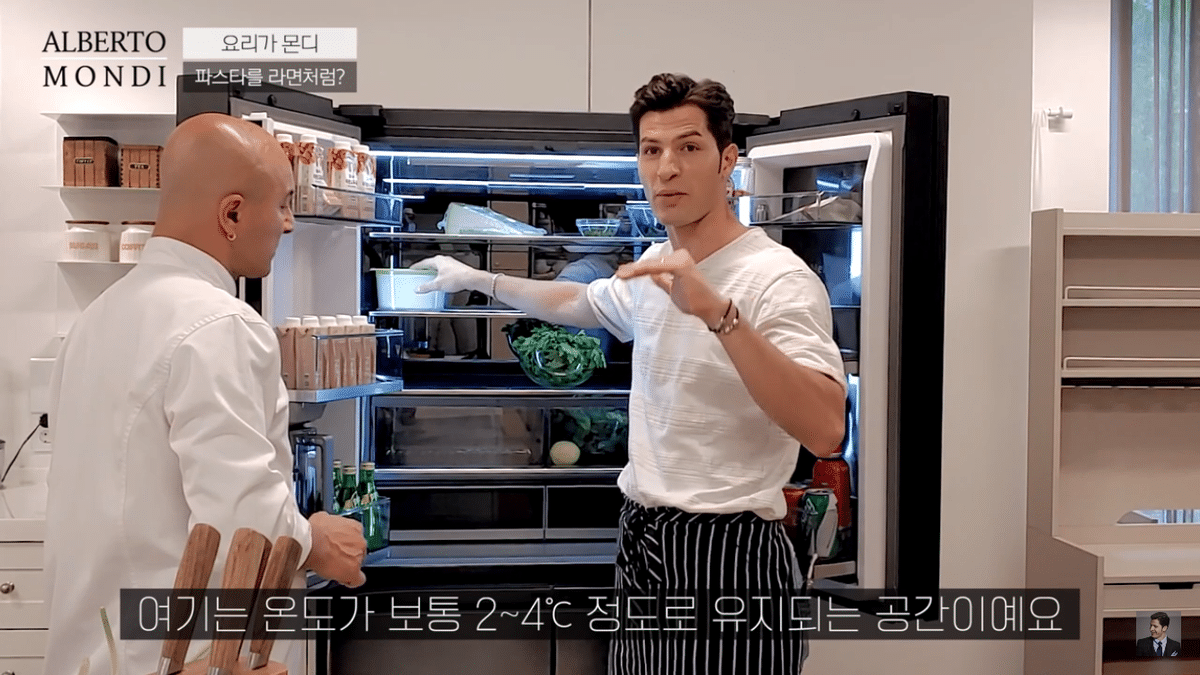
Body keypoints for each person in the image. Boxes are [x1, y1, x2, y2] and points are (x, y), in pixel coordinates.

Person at [414, 73, 846, 674]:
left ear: (727, 161)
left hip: (731, 552)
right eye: (651, 150)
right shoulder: (655, 264)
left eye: (689, 147)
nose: (667, 168)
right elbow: (579, 301)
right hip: (645, 538)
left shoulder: (778, 277)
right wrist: (480, 279)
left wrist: (719, 315)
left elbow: (825, 428)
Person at [43, 113, 368, 675]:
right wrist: (313, 538)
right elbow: (242, 518)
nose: (290, 223)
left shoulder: (97, 318)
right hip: (186, 655)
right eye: (283, 203)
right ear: (232, 214)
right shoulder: (220, 325)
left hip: (100, 649)